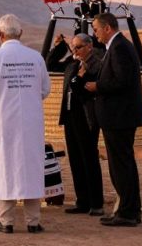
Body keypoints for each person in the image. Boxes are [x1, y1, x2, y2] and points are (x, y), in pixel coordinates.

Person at [0, 14, 50, 234]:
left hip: (3, 126)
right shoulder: (35, 58)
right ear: (21, 33)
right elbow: (45, 90)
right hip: (31, 124)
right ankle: (33, 221)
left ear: (0, 34)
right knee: (31, 168)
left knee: (4, 167)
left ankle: (6, 221)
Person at [85, 12, 142, 227]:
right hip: (118, 117)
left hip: (119, 117)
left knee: (121, 166)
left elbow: (122, 81)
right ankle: (128, 210)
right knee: (123, 165)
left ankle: (128, 213)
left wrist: (98, 86)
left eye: (96, 29)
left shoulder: (120, 47)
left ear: (107, 28)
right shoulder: (117, 46)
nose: (94, 34)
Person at [58, 33, 104, 216]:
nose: (75, 51)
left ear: (89, 46)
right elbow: (50, 63)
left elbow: (81, 89)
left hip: (86, 118)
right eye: (73, 47)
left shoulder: (96, 65)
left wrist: (79, 77)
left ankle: (96, 203)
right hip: (70, 116)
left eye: (78, 47)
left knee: (89, 159)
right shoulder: (73, 63)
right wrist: (59, 47)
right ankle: (82, 201)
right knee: (75, 159)